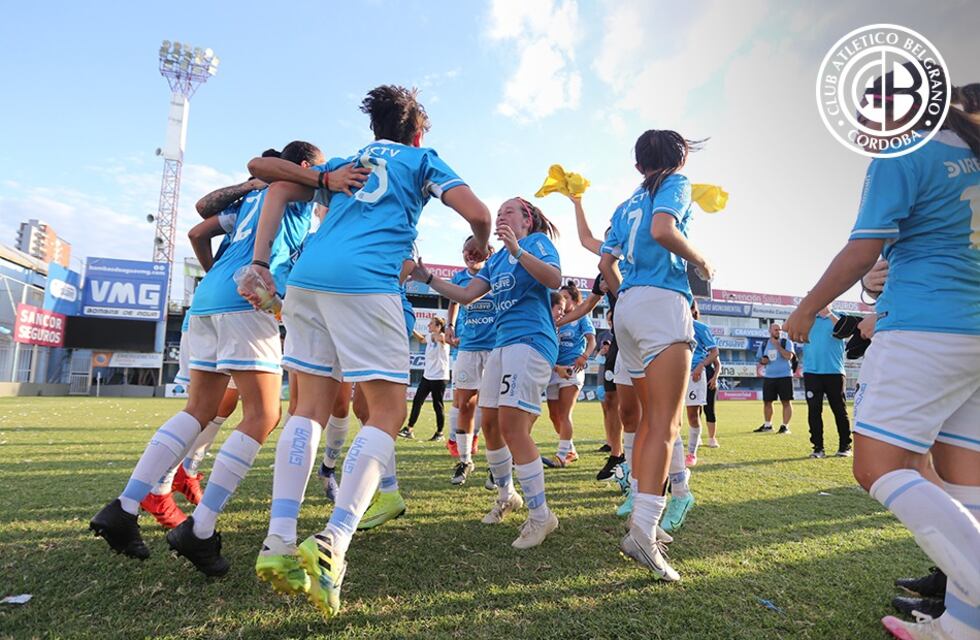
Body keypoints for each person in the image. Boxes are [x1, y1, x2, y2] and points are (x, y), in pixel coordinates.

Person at [245, 85, 492, 618]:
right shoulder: (421, 159)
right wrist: (480, 239)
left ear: (374, 127)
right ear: (417, 132)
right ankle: (334, 541)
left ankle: (279, 539)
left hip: (307, 279)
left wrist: (265, 256)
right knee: (386, 412)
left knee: (308, 408)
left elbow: (267, 177)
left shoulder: (343, 164)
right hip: (366, 282)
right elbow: (478, 210)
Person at [89, 142, 365, 577]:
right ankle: (200, 528)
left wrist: (216, 274)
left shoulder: (251, 199)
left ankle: (124, 506)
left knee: (198, 409)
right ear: (304, 166)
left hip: (209, 297)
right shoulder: (295, 190)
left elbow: (199, 230)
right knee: (263, 414)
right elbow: (264, 174)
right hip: (246, 301)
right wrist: (323, 180)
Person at [784, 80, 980, 640]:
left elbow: (861, 249)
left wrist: (807, 308)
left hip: (925, 328)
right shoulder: (968, 152)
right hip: (972, 333)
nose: (863, 125)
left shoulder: (907, 152)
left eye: (870, 111)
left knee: (878, 465)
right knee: (966, 482)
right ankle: (961, 625)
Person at [599, 129, 714, 582]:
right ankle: (643, 531)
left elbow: (605, 264)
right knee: (665, 424)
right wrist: (702, 261)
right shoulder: (676, 183)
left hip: (627, 307)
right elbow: (663, 230)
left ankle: (642, 518)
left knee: (649, 421)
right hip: (662, 303)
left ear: (638, 164)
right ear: (680, 159)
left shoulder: (623, 204)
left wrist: (627, 295)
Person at [415, 197, 563, 550]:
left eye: (508, 211)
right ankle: (507, 495)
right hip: (502, 342)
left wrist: (518, 251)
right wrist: (428, 278)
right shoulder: (495, 261)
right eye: (498, 213)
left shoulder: (536, 243)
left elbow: (554, 279)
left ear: (527, 218)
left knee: (512, 426)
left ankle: (541, 516)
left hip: (531, 339)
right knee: (491, 423)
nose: (500, 217)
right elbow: (466, 295)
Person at [445, 236, 495, 485]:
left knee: (495, 408)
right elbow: (454, 301)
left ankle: (498, 465)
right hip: (468, 347)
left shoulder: (496, 273)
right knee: (465, 404)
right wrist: (449, 325)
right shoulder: (459, 278)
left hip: (496, 347)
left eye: (475, 250)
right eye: (466, 250)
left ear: (488, 252)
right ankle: (465, 460)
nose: (469, 254)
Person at [544, 281, 596, 467]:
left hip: (572, 369)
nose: (562, 300)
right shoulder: (555, 319)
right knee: (554, 416)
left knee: (565, 413)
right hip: (554, 369)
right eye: (561, 297)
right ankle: (570, 449)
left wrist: (584, 356)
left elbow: (592, 341)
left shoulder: (581, 317)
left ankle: (562, 455)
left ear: (574, 300)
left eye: (566, 297)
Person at [801, 304, 851, 458]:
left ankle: (845, 446)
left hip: (834, 371)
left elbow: (846, 333)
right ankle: (818, 448)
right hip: (812, 371)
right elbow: (793, 330)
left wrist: (828, 314)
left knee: (839, 410)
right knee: (814, 411)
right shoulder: (807, 318)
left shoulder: (840, 316)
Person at [400, 317, 450, 441]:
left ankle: (440, 433)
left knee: (437, 405)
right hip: (427, 376)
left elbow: (443, 339)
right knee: (417, 400)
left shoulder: (442, 337)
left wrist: (438, 334)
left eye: (431, 323)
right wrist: (412, 329)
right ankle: (409, 429)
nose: (428, 325)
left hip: (439, 377)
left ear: (438, 326)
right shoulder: (430, 336)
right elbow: (422, 339)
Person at [684, 299, 719, 467]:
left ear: (692, 310)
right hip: (674, 374)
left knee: (693, 414)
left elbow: (714, 352)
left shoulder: (700, 328)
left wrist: (700, 366)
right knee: (671, 415)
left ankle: (692, 453)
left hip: (694, 375)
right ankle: (672, 450)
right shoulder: (671, 326)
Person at [753, 323, 795, 434]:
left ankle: (785, 426)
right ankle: (768, 426)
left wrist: (777, 346)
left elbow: (788, 356)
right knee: (767, 402)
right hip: (769, 376)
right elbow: (760, 359)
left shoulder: (786, 342)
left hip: (785, 376)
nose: (778, 332)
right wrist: (763, 361)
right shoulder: (764, 344)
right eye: (776, 330)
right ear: (770, 331)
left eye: (779, 330)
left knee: (786, 401)